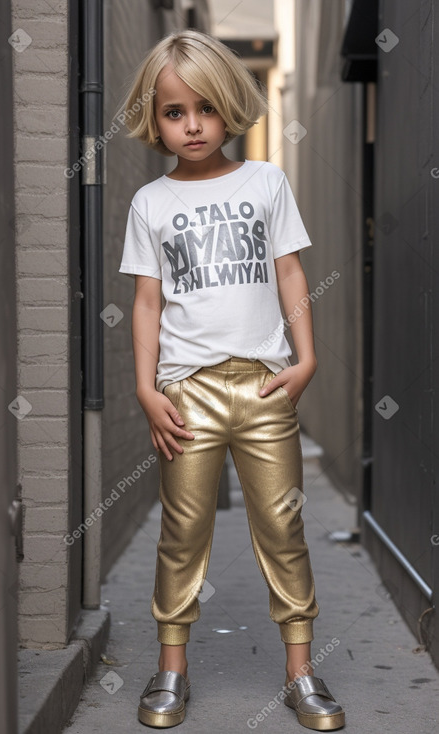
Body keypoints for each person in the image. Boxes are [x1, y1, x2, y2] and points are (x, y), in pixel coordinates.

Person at [118, 28, 345, 731]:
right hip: (185, 391)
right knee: (182, 532)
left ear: (230, 108)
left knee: (283, 526)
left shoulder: (265, 182)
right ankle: (170, 667)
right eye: (173, 112)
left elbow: (288, 272)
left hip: (263, 385)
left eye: (205, 110)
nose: (191, 126)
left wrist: (304, 360)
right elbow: (148, 302)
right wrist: (146, 388)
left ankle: (301, 671)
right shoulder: (150, 204)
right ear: (154, 120)